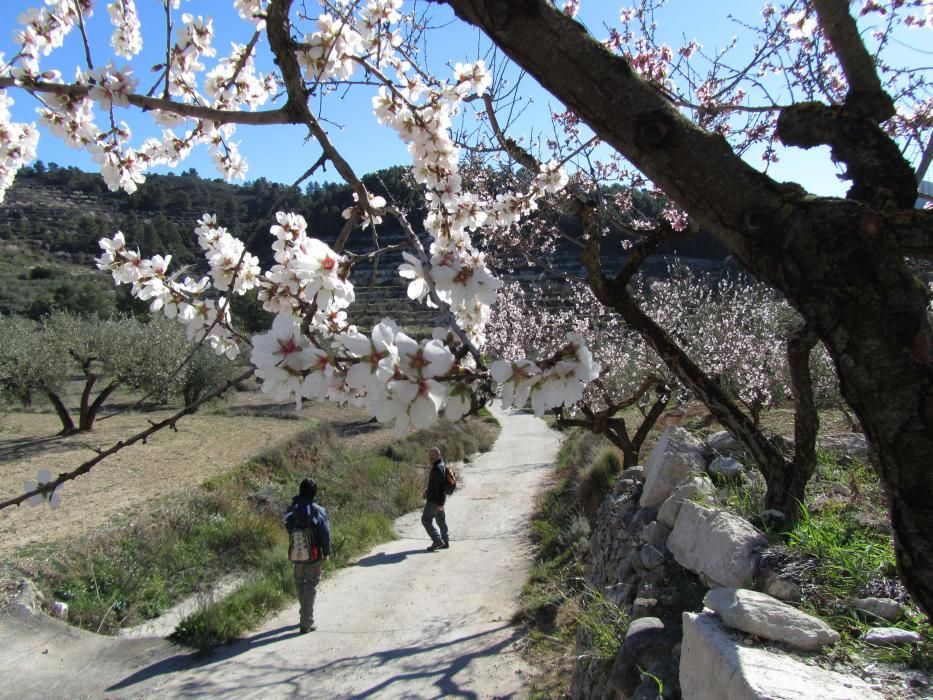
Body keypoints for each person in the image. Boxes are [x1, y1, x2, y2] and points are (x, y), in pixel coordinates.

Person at [284, 476, 331, 633]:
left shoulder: (291, 509)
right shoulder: (319, 511)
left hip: (297, 553)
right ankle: (306, 620)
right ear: (314, 493)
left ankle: (304, 613)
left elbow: (288, 527)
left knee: (299, 583)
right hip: (314, 554)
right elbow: (325, 533)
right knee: (311, 584)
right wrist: (326, 552)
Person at [421, 447, 449, 552]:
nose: (430, 457)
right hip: (438, 500)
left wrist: (440, 503)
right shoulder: (441, 465)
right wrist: (427, 490)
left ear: (438, 455)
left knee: (425, 520)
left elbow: (440, 487)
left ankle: (437, 540)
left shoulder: (437, 468)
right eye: (429, 454)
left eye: (432, 455)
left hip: (434, 501)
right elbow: (435, 484)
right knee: (441, 521)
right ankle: (445, 542)